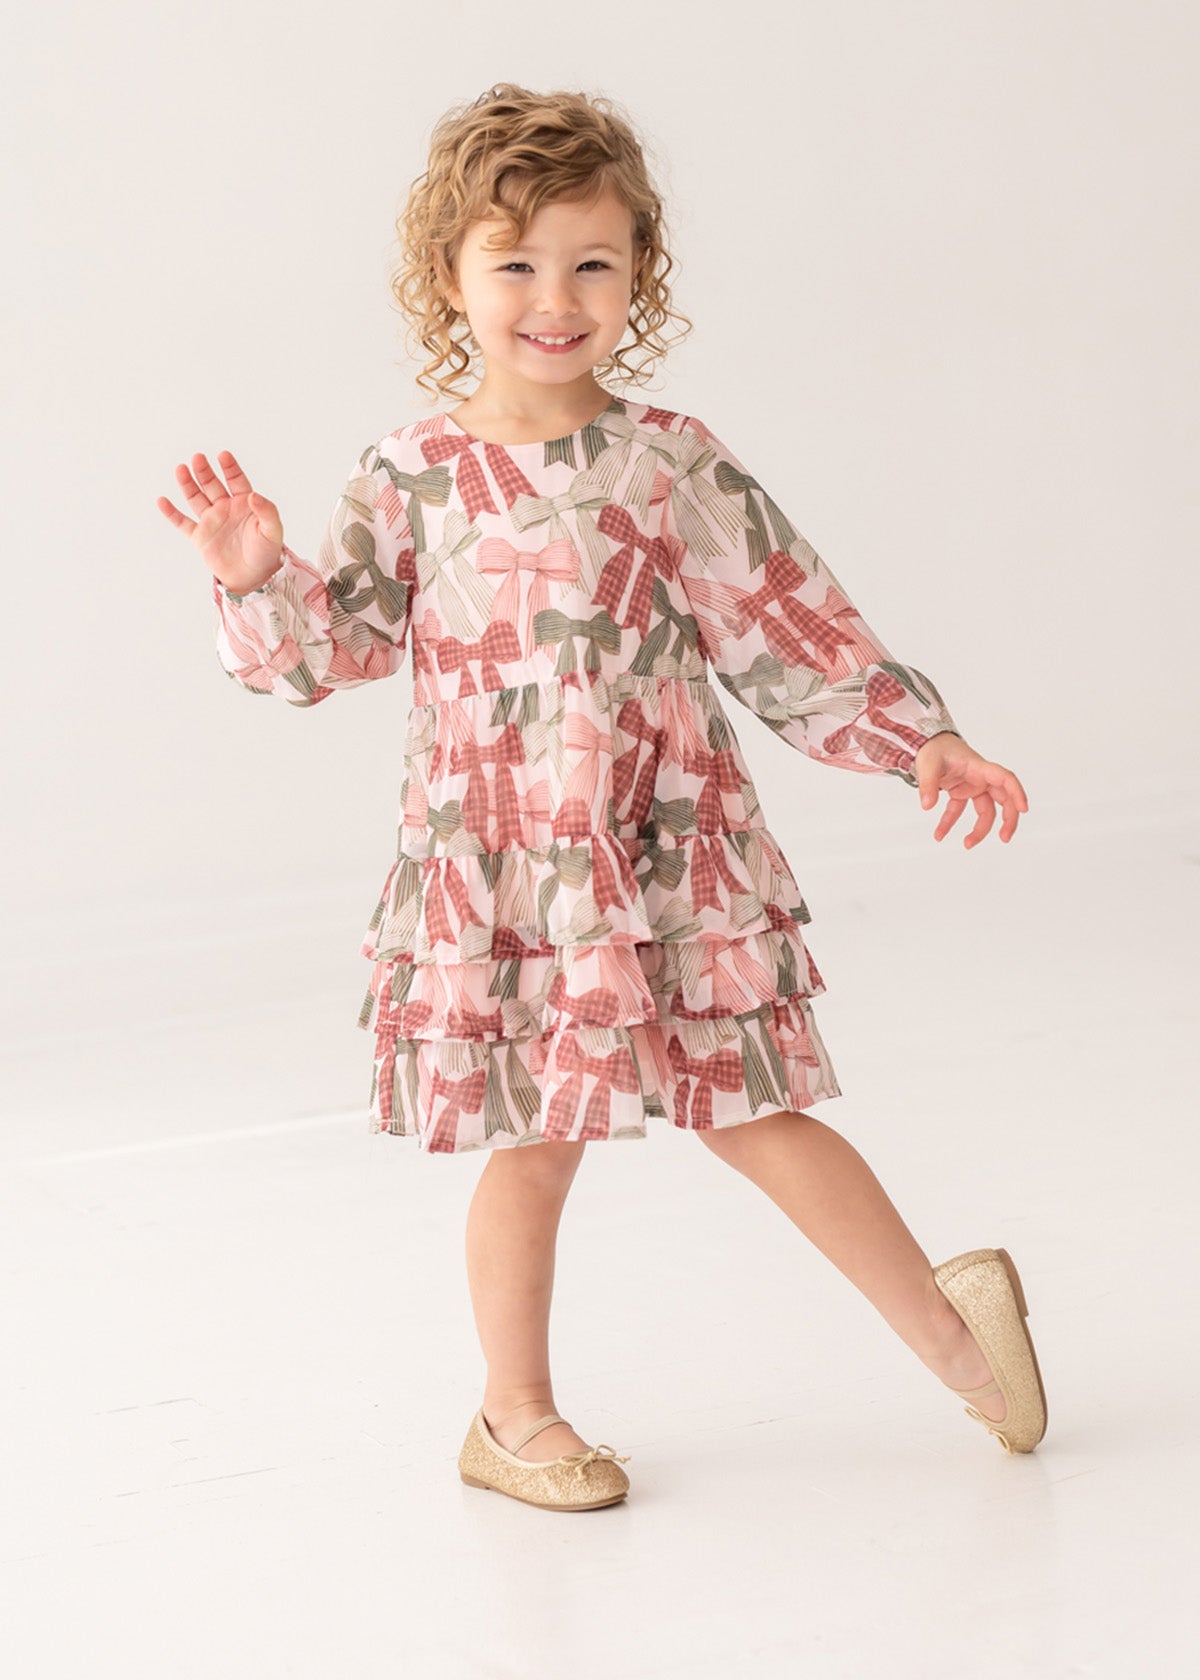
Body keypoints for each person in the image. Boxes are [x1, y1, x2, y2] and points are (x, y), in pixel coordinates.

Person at [155, 82, 1047, 1512]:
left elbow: (787, 622)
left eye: (592, 263)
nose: (554, 298)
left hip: (667, 850)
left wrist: (919, 741)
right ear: (448, 278)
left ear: (640, 276)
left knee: (758, 1110)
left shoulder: (669, 461)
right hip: (509, 874)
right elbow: (341, 651)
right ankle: (513, 1418)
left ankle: (958, 1338)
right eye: (514, 263)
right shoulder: (411, 473)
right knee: (537, 1138)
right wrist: (259, 575)